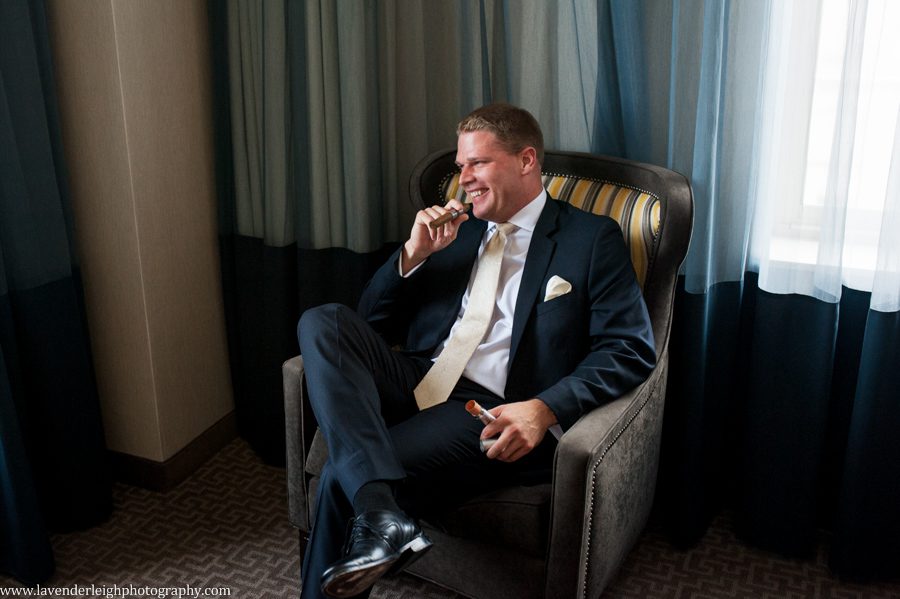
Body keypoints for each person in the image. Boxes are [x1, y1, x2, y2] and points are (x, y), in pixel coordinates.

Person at [296, 103, 656, 598]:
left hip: (486, 408)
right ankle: (383, 515)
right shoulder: (456, 231)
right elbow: (370, 325)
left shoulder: (590, 238)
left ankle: (374, 514)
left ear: (526, 160)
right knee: (323, 320)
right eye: (461, 165)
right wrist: (413, 255)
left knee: (344, 472)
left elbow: (629, 348)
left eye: (477, 163)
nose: (463, 178)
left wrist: (543, 408)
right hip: (419, 376)